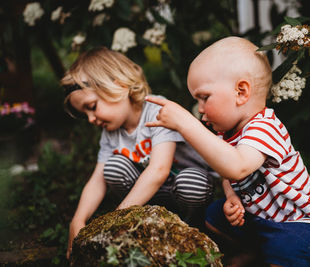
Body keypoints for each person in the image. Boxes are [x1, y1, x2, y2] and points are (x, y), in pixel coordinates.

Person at [145, 36, 310, 267]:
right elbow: (227, 173)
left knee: (286, 247)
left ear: (241, 92)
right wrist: (231, 196)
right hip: (259, 220)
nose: (200, 109)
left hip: (298, 224)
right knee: (213, 216)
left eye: (204, 98)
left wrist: (186, 124)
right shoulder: (225, 134)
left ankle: (273, 256)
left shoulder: (265, 127)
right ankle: (257, 253)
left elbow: (237, 167)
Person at [61, 47, 214, 259]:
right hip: (150, 197)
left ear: (119, 86)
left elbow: (159, 170)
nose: (91, 119)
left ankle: (192, 231)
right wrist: (77, 220)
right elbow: (97, 180)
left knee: (192, 183)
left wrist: (116, 220)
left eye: (92, 106)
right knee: (114, 167)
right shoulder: (111, 132)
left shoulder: (158, 111)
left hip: (181, 188)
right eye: (84, 113)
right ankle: (142, 223)